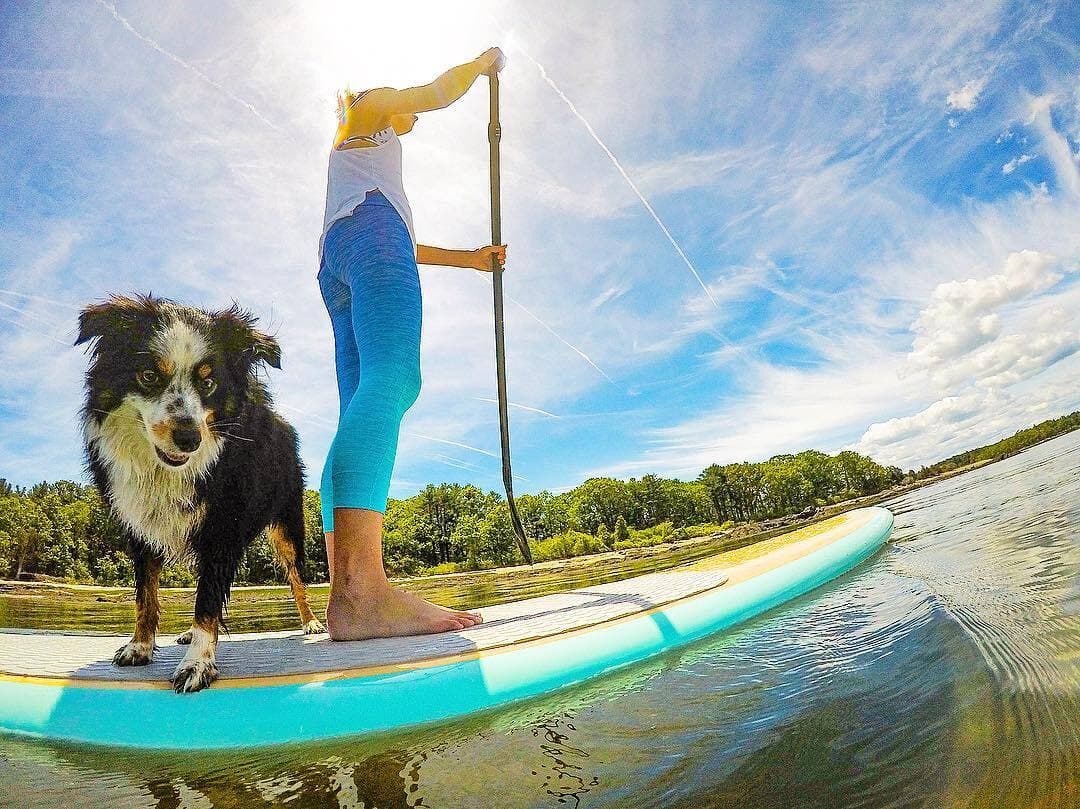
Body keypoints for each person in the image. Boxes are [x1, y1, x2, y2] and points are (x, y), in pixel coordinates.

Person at [317, 47, 508, 641]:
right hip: (372, 239)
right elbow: (430, 93)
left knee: (361, 404)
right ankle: (362, 594)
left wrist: (471, 260)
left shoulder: (360, 169)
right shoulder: (366, 110)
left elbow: (407, 248)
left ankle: (344, 588)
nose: (412, 120)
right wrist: (480, 65)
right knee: (396, 378)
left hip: (342, 256)